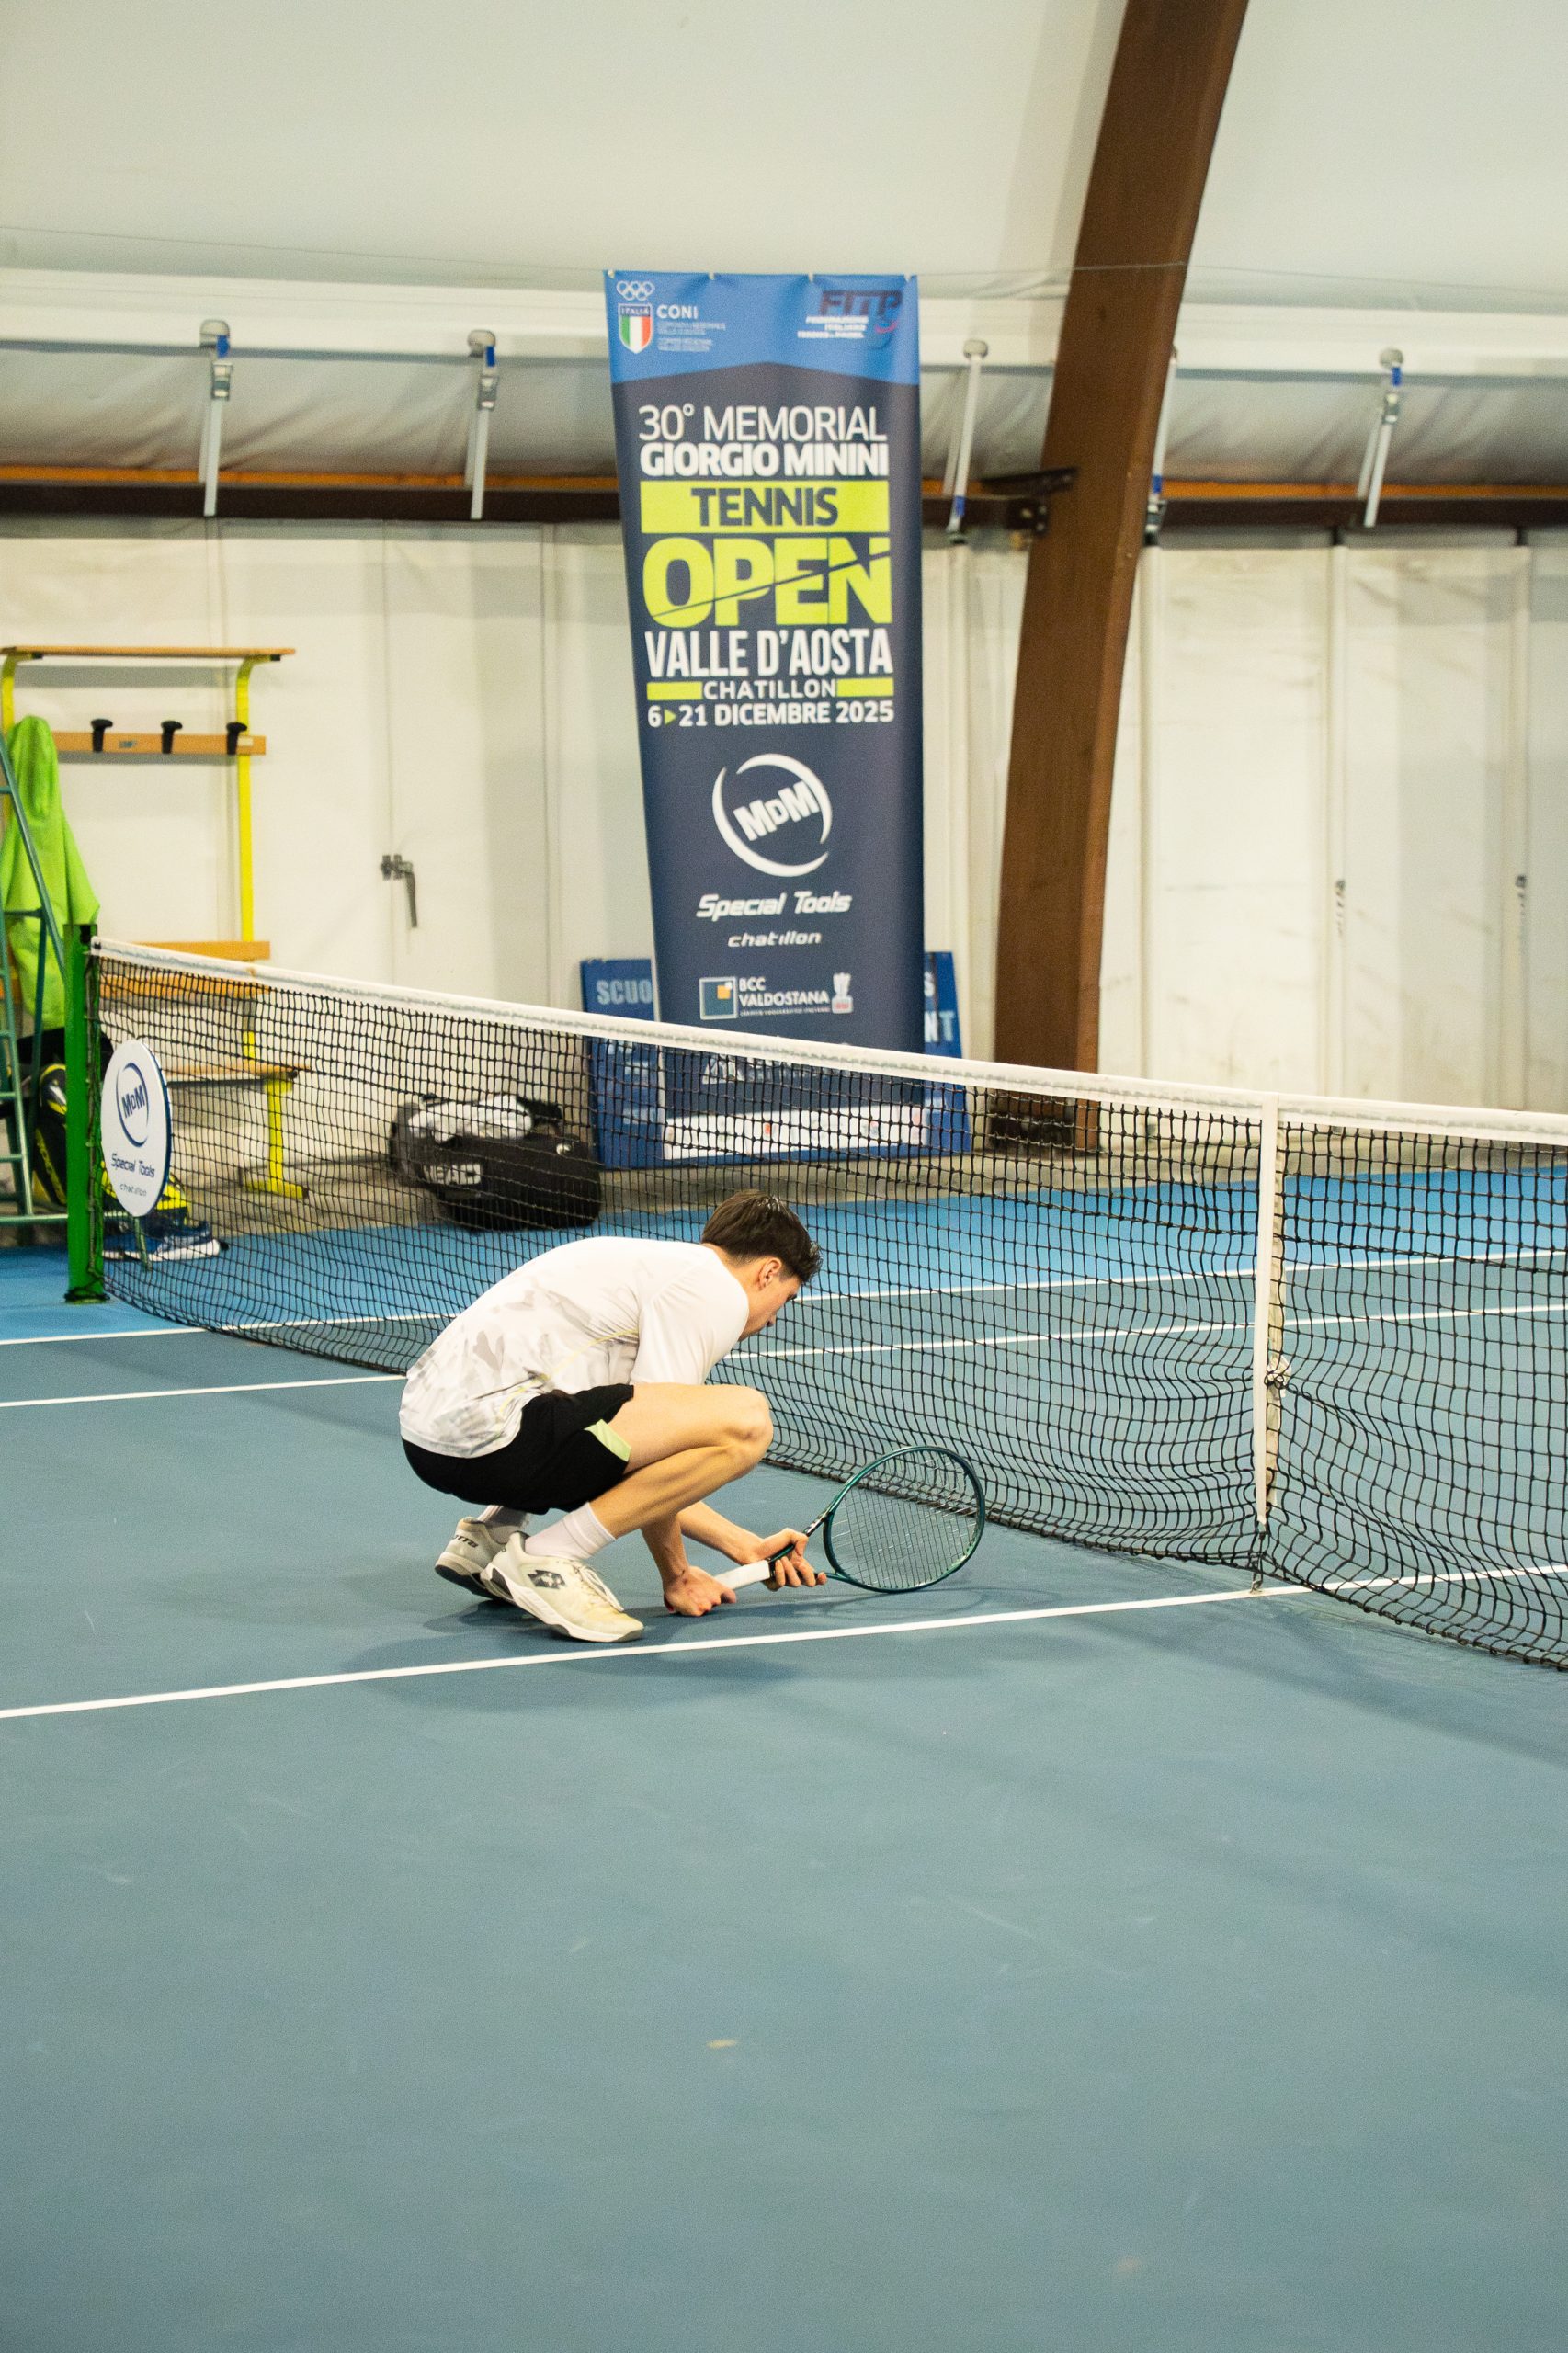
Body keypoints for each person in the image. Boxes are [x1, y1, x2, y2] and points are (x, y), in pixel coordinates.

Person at [400, 1189, 826, 1643]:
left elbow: (628, 1454)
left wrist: (743, 1546)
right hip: (493, 1439)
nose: (773, 1319)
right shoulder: (713, 1289)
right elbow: (657, 1456)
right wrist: (677, 1575)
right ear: (768, 1272)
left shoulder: (646, 1267)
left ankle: (492, 1536)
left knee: (604, 1417)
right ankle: (548, 1559)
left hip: (433, 1443)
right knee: (748, 1421)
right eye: (785, 1299)